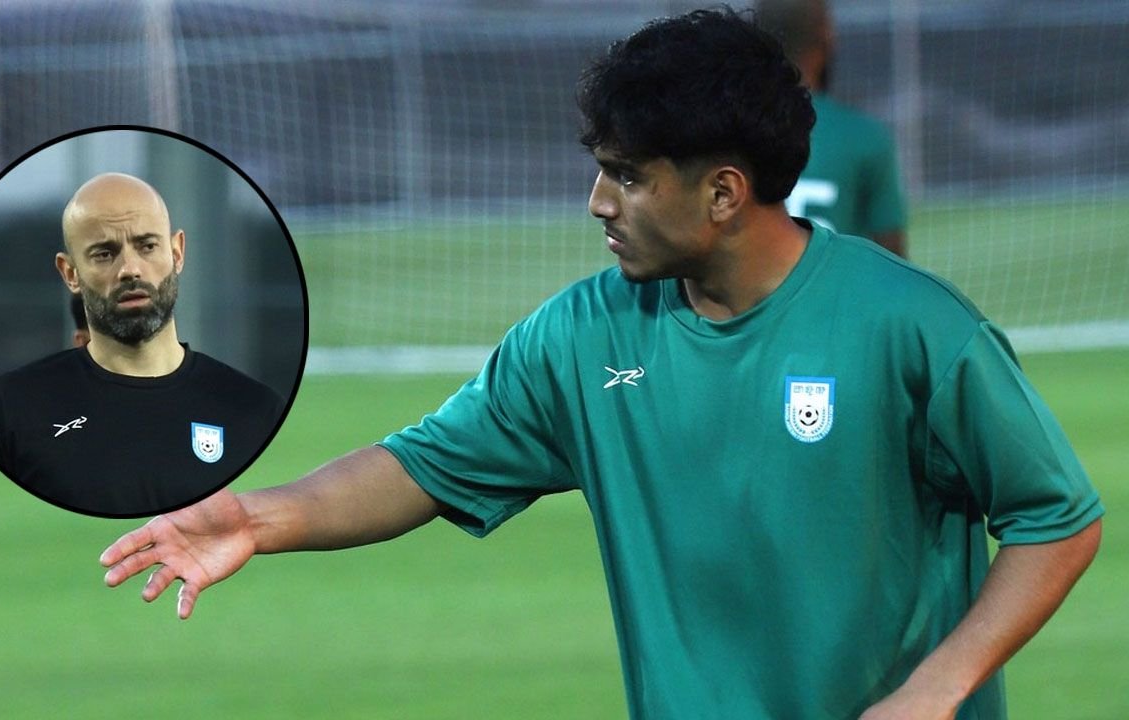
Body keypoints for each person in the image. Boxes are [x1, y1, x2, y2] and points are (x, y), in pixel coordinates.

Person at [98, 9, 1101, 719]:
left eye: (626, 175)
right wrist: (259, 518)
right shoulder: (583, 335)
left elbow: (1056, 517)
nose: (597, 202)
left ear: (721, 193)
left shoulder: (911, 328)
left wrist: (934, 690)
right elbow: (424, 464)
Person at [0, 173, 284, 518]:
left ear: (177, 252)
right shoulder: (8, 410)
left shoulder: (254, 409)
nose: (130, 270)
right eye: (104, 254)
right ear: (70, 273)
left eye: (147, 246)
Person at [756, 0, 909, 257]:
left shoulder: (728, 132)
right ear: (826, 35)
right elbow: (893, 260)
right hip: (841, 283)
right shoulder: (864, 136)